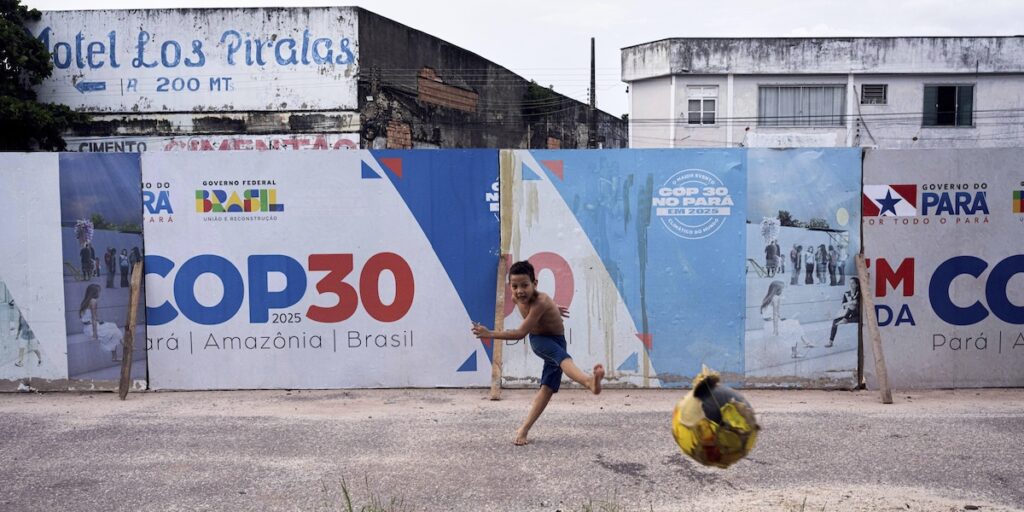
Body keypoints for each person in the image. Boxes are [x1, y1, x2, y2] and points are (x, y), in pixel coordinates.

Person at [471, 260, 604, 446]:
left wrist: (490, 334)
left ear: (535, 283)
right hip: (540, 341)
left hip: (557, 340)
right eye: (515, 286)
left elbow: (528, 321)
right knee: (562, 359)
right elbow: (523, 332)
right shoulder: (517, 298)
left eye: (525, 285)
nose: (519, 291)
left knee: (547, 389)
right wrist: (489, 334)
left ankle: (523, 429)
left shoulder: (541, 301)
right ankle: (588, 381)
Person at [80, 284, 123, 362]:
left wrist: (100, 321)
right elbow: (93, 318)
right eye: (99, 292)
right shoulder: (93, 301)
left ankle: (116, 355)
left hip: (87, 327)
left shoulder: (85, 301)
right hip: (91, 328)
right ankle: (124, 347)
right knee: (115, 331)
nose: (99, 294)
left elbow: (90, 317)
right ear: (94, 293)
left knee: (112, 325)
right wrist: (95, 334)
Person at [827, 277, 861, 348]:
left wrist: (850, 303)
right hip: (849, 314)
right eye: (850, 283)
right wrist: (849, 303)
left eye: (853, 283)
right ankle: (830, 342)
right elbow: (843, 304)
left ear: (857, 284)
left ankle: (845, 319)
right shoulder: (847, 293)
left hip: (859, 315)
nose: (851, 285)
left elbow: (857, 302)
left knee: (852, 305)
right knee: (835, 321)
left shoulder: (860, 293)